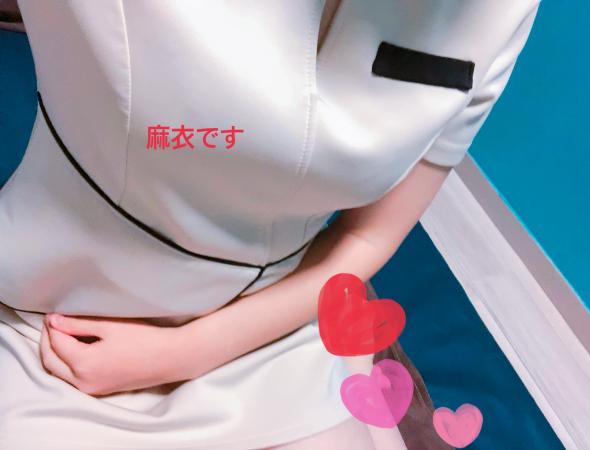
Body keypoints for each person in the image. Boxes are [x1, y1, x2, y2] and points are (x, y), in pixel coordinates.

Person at [0, 0, 540, 448]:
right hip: (62, 310)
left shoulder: (499, 10)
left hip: (271, 326)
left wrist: (177, 355)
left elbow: (367, 236)